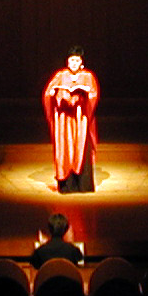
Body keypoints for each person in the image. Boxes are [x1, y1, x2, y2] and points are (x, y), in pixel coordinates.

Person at [43, 47, 99, 193]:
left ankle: (83, 185)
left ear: (81, 62)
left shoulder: (87, 76)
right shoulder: (60, 75)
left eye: (77, 60)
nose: (74, 63)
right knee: (65, 148)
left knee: (81, 148)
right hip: (64, 118)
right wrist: (54, 94)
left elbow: (94, 94)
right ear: (67, 62)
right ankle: (67, 185)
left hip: (81, 119)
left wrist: (87, 94)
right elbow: (48, 94)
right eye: (71, 60)